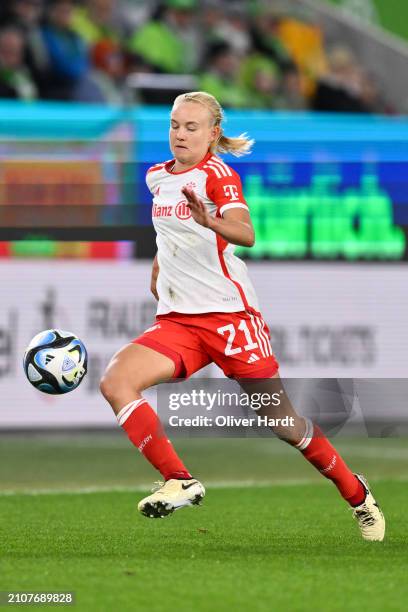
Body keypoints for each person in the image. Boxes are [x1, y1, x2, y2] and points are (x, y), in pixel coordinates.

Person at [100, 91, 385, 541]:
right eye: (175, 125)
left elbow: (246, 233)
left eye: (191, 127)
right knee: (116, 381)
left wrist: (210, 221)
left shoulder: (218, 175)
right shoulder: (157, 176)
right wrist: (160, 266)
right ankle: (180, 479)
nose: (180, 134)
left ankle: (357, 495)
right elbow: (168, 233)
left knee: (283, 423)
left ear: (213, 134)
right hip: (180, 322)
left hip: (230, 320)